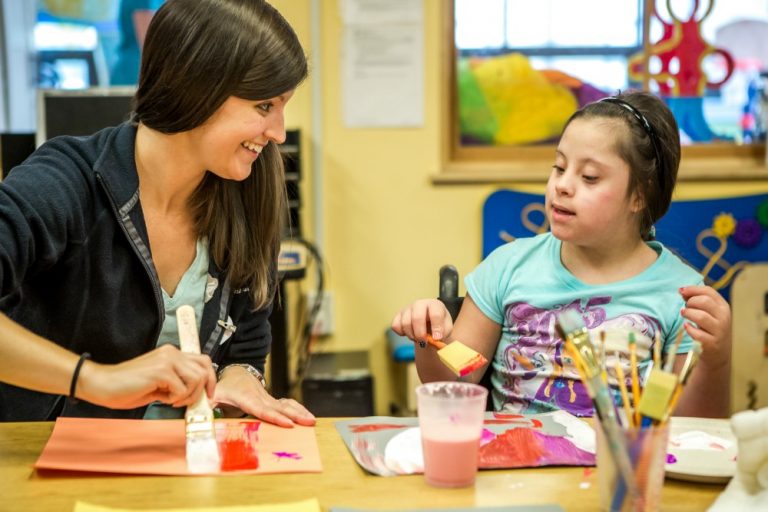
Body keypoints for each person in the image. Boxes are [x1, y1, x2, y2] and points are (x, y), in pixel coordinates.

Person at [0, 0, 315, 428]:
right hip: (50, 466)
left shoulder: (249, 190)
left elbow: (245, 346)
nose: (278, 132)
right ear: (197, 87)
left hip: (187, 464)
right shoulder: (66, 182)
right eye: (264, 107)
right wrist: (94, 380)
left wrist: (240, 378)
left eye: (283, 108)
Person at [392, 91, 731, 418]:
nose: (562, 185)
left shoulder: (681, 295)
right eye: (558, 167)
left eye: (589, 177)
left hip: (617, 470)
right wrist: (430, 338)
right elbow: (454, 379)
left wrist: (715, 359)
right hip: (513, 469)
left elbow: (693, 427)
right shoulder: (508, 267)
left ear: (639, 196)